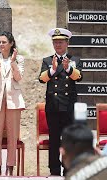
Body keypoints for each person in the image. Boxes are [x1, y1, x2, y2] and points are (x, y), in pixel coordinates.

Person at [39, 28, 83, 176]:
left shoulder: (74, 60)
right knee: (54, 140)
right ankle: (54, 169)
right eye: (55, 42)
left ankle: (68, 168)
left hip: (69, 106)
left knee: (68, 140)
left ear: (67, 43)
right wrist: (52, 70)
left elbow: (79, 77)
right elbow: (41, 79)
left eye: (61, 42)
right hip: (53, 106)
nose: (58, 45)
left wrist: (68, 68)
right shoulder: (47, 60)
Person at [0, 31, 25, 176]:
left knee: (13, 135)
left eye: (4, 42)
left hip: (13, 100)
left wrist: (13, 62)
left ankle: (10, 167)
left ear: (11, 43)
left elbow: (19, 77)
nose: (1, 45)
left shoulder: (18, 58)